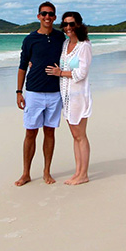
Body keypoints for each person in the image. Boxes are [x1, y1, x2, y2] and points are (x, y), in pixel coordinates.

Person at [15, 1, 66, 186]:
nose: (47, 17)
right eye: (44, 13)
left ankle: (47, 172)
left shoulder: (61, 38)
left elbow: (72, 57)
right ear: (38, 16)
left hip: (54, 93)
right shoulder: (30, 39)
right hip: (34, 92)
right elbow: (22, 66)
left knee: (50, 133)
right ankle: (26, 173)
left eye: (51, 14)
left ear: (54, 17)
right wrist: (19, 92)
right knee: (30, 133)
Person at [45, 11, 92, 185]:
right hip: (66, 96)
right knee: (75, 135)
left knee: (81, 135)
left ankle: (84, 174)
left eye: (72, 24)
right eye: (65, 24)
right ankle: (78, 172)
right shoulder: (65, 44)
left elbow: (81, 73)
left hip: (79, 96)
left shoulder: (84, 45)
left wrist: (61, 73)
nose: (68, 28)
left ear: (79, 24)